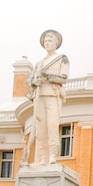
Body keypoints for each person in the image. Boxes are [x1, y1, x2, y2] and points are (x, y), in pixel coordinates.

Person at [27, 29, 69, 166]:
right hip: (39, 96)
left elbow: (64, 78)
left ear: (56, 43)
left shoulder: (62, 58)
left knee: (52, 125)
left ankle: (52, 155)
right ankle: (42, 158)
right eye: (45, 41)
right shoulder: (39, 63)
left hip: (53, 94)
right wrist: (34, 81)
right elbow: (30, 81)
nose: (47, 43)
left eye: (50, 40)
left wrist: (47, 77)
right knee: (40, 128)